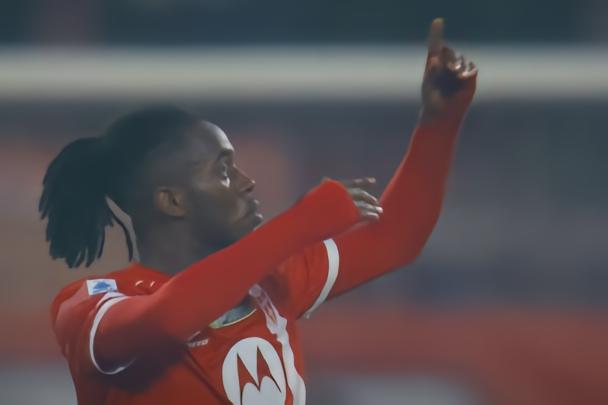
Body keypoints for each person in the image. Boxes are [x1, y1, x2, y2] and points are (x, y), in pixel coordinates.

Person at [40, 18, 477, 405]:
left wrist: (439, 123)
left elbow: (396, 237)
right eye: (223, 170)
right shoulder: (90, 305)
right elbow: (167, 321)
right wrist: (299, 224)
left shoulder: (272, 281)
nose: (247, 182)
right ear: (172, 201)